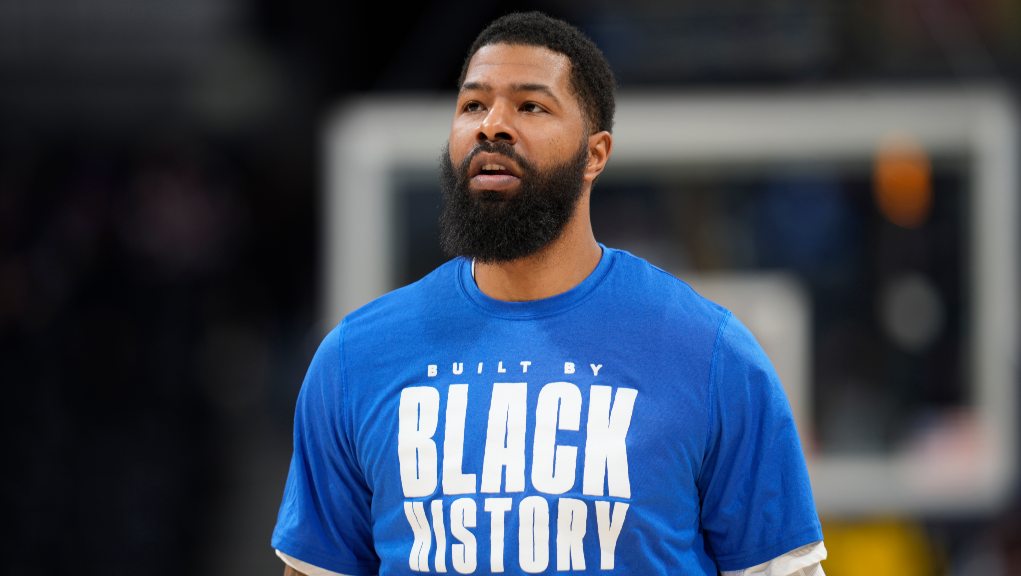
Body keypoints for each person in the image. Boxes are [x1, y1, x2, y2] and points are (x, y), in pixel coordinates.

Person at [271, 10, 827, 576]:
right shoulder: (356, 356)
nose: (492, 125)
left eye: (530, 106)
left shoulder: (710, 352)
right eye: (473, 105)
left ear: (595, 154)